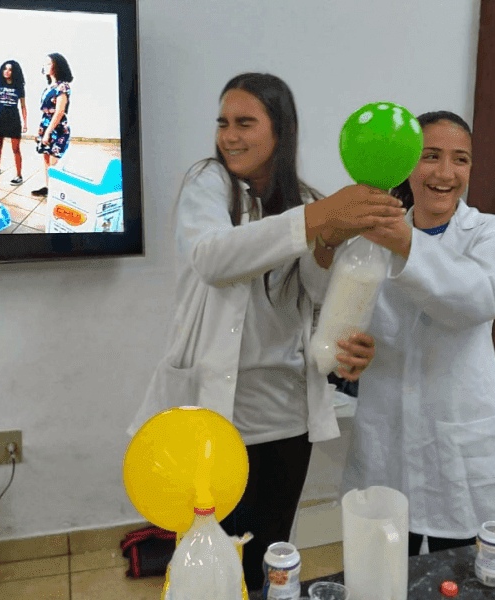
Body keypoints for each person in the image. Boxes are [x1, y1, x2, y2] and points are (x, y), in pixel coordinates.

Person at [127, 72, 406, 590]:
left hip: (286, 415)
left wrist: (329, 250)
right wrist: (317, 218)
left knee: (270, 556)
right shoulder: (208, 182)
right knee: (212, 562)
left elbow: (316, 295)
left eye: (245, 123)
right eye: (223, 123)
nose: (229, 136)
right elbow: (213, 259)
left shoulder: (305, 199)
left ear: (281, 131)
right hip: (218, 415)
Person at [342, 111, 495, 555]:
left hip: (457, 437)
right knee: (383, 559)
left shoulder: (488, 232)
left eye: (460, 159)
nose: (445, 173)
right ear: (407, 165)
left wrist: (405, 243)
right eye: (430, 156)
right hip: (388, 431)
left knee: (460, 564)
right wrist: (352, 349)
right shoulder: (372, 237)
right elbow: (347, 312)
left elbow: (480, 298)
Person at [32, 53, 72, 197]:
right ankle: (48, 188)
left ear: (57, 66)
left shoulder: (63, 86)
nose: (45, 66)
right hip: (46, 124)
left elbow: (59, 112)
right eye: (45, 63)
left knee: (54, 160)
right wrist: (41, 131)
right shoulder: (50, 87)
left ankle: (57, 191)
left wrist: (48, 132)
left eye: (49, 63)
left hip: (57, 127)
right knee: (46, 158)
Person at [0, 60, 27, 185]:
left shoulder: (19, 86)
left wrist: (25, 123)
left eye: (10, 69)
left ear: (14, 72)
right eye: (5, 69)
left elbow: (23, 106)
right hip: (1, 118)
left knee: (16, 148)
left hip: (14, 119)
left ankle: (19, 175)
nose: (7, 71)